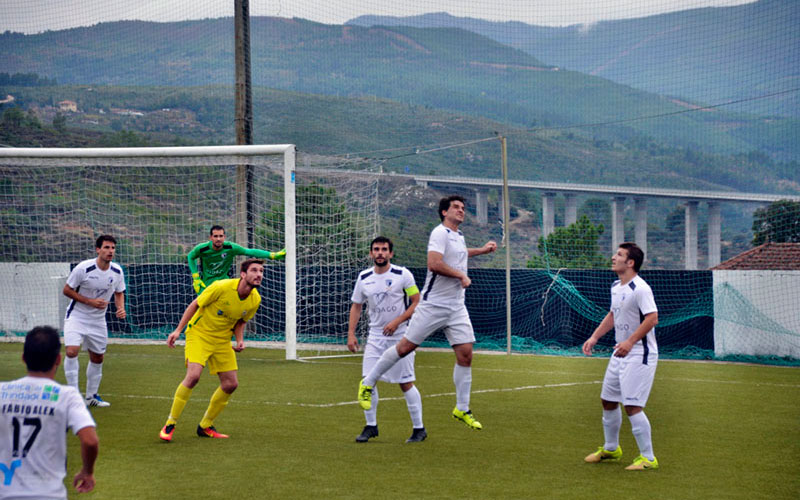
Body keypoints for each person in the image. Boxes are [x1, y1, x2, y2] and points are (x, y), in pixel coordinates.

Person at [357, 195, 496, 430]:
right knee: (404, 348)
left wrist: (481, 251)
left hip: (456, 306)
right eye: (456, 207)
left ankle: (462, 408)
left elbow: (460, 254)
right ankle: (368, 383)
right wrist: (461, 275)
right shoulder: (439, 232)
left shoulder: (458, 236)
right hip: (433, 304)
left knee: (466, 354)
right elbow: (434, 263)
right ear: (444, 212)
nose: (461, 211)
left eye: (463, 208)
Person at [159, 258, 265, 442]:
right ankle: (170, 423)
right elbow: (195, 305)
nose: (258, 275)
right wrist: (178, 331)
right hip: (199, 334)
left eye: (261, 271)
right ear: (243, 274)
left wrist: (240, 340)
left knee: (231, 384)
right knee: (193, 376)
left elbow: (240, 321)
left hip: (222, 340)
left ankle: (205, 425)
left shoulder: (255, 300)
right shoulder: (221, 287)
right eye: (254, 270)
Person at [582, 242, 660, 471]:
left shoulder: (641, 288)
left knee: (632, 406)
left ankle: (648, 458)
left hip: (639, 353)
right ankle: (611, 448)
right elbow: (613, 314)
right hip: (621, 351)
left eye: (619, 254)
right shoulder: (617, 286)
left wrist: (630, 341)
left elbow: (652, 318)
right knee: (607, 400)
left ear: (631, 262)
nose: (613, 257)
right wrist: (594, 337)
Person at [0, 326, 99, 499]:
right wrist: (87, 471)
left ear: (23, 358)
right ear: (59, 359)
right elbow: (90, 441)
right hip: (49, 494)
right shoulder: (67, 396)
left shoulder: (2, 391)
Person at [347, 236, 424, 443]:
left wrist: (398, 321)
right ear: (371, 253)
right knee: (367, 381)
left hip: (400, 338)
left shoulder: (402, 274)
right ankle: (371, 426)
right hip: (375, 336)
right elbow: (356, 305)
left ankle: (419, 429)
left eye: (384, 249)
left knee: (405, 383)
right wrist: (351, 334)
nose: (380, 253)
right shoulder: (363, 277)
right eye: (376, 249)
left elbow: (416, 301)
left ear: (391, 253)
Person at [62, 234, 126, 408]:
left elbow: (119, 292)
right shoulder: (84, 268)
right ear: (98, 249)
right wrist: (89, 302)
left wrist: (120, 308)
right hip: (77, 316)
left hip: (98, 321)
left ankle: (91, 397)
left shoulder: (117, 271)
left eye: (113, 248)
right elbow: (67, 290)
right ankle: (73, 396)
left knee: (97, 357)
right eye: (106, 247)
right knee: (72, 351)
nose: (110, 251)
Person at [187, 225, 285, 295]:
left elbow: (249, 252)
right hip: (206, 285)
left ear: (224, 237)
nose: (218, 239)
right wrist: (196, 277)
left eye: (221, 236)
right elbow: (190, 257)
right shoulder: (202, 248)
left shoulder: (230, 247)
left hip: (224, 284)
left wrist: (273, 255)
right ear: (211, 237)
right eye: (215, 236)